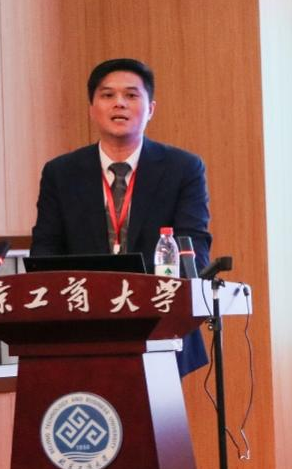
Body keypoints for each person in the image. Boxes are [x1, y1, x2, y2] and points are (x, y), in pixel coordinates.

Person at [30, 58, 212, 376]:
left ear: (150, 109)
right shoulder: (61, 172)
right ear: (92, 108)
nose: (119, 104)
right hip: (82, 325)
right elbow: (45, 248)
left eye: (131, 95)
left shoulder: (182, 168)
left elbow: (193, 244)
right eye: (107, 95)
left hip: (159, 323)